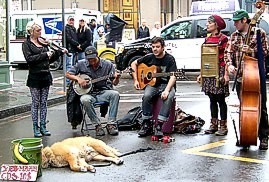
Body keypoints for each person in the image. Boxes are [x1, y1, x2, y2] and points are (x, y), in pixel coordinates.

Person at [224, 9, 269, 150]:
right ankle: (246, 136)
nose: (235, 24)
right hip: (241, 77)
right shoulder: (234, 36)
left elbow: (266, 51)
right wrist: (230, 65)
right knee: (244, 108)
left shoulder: (258, 33)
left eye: (237, 21)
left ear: (245, 20)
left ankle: (264, 136)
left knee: (261, 107)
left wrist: (250, 51)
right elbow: (228, 53)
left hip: (256, 76)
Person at [22, 21, 66, 137]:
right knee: (35, 103)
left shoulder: (44, 43)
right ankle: (35, 127)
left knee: (44, 103)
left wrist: (59, 53)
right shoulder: (27, 44)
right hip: (34, 76)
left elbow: (49, 60)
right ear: (31, 32)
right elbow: (30, 59)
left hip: (45, 75)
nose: (40, 32)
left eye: (41, 30)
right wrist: (45, 54)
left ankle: (43, 126)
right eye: (38, 30)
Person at [66, 46, 121, 136]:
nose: (91, 61)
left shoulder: (107, 64)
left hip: (102, 91)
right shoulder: (81, 64)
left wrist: (117, 77)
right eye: (89, 59)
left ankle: (111, 124)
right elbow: (68, 74)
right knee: (84, 100)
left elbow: (114, 83)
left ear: (97, 55)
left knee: (115, 94)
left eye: (93, 58)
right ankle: (97, 125)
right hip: (88, 93)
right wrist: (78, 79)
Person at [130, 37, 177, 137]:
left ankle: (159, 125)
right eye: (153, 47)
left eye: (158, 47)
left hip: (166, 84)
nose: (155, 49)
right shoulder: (149, 57)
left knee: (168, 98)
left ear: (163, 47)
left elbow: (173, 77)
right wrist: (136, 80)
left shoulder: (170, 59)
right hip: (153, 84)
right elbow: (133, 63)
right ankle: (146, 123)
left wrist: (167, 90)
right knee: (146, 96)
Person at [197, 15, 229, 136]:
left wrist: (226, 75)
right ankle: (213, 124)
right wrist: (202, 74)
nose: (207, 25)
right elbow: (204, 58)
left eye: (209, 23)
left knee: (220, 99)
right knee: (211, 98)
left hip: (219, 70)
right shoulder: (207, 39)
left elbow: (227, 58)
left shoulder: (224, 39)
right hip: (209, 71)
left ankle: (223, 126)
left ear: (216, 25)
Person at [65, 16, 80, 85]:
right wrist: (77, 44)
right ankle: (68, 82)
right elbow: (69, 39)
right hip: (69, 50)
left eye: (72, 20)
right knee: (69, 66)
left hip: (74, 50)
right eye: (70, 20)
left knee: (73, 66)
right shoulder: (66, 29)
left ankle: (71, 81)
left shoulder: (74, 29)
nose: (71, 21)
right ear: (67, 21)